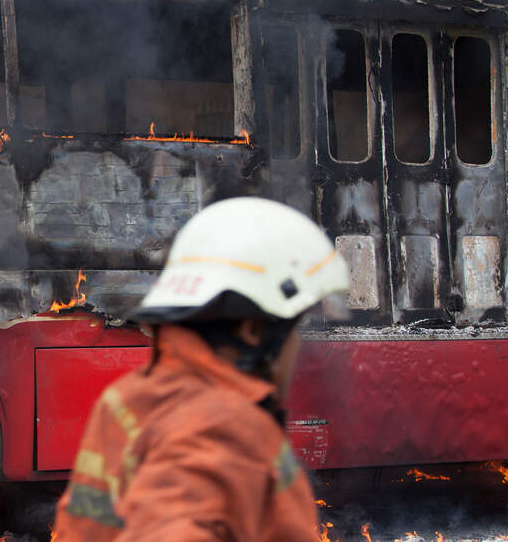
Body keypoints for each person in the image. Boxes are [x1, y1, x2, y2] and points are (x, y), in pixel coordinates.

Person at [53, 197, 350, 541]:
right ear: (254, 330)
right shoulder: (224, 426)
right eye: (296, 328)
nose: (297, 347)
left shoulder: (125, 400)